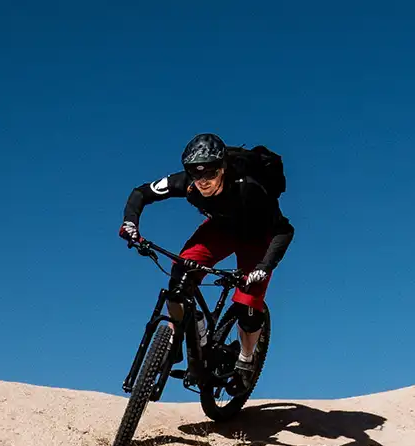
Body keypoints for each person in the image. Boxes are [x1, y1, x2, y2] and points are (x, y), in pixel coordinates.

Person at [119, 133, 294, 389]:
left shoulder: (250, 188)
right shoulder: (186, 183)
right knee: (180, 275)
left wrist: (263, 268)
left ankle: (246, 360)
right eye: (195, 173)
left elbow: (284, 230)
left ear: (223, 168)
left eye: (210, 174)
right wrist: (130, 222)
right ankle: (187, 331)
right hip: (220, 229)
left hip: (257, 237)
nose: (203, 181)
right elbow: (141, 193)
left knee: (248, 300)